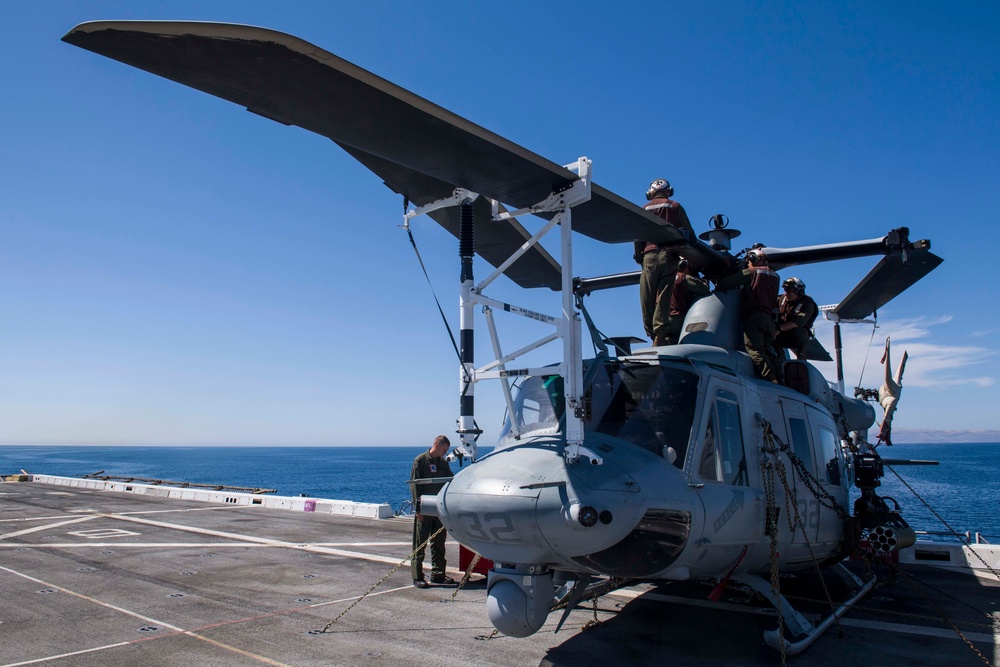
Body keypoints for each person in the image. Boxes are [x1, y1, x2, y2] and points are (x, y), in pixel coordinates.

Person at [634, 179, 695, 346]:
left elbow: (638, 236)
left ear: (651, 192)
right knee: (663, 296)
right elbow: (690, 234)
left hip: (649, 256)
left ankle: (651, 333)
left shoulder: (645, 209)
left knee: (647, 296)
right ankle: (660, 334)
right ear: (669, 191)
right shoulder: (675, 207)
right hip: (669, 256)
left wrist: (638, 255)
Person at [715, 248, 783, 383]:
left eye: (748, 261)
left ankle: (770, 378)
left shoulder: (751, 272)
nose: (747, 264)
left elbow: (724, 283)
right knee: (768, 350)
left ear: (752, 260)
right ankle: (780, 377)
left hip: (754, 316)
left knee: (754, 349)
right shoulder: (775, 276)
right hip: (769, 319)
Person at [409, 435, 455, 588]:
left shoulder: (442, 463)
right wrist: (418, 509)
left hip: (438, 509)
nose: (444, 453)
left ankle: (438, 574)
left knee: (439, 544)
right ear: (436, 444)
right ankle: (417, 576)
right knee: (420, 544)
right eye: (443, 449)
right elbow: (415, 486)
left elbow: (450, 480)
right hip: (424, 509)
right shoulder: (420, 461)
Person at [663, 258, 710, 345]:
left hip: (661, 320)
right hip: (676, 318)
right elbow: (703, 289)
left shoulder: (664, 278)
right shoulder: (683, 278)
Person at [774, 277, 818, 359]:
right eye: (785, 291)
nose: (786, 294)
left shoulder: (807, 304)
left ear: (798, 292)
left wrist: (778, 329)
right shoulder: (781, 299)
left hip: (794, 335)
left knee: (800, 333)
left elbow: (796, 323)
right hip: (780, 332)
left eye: (789, 292)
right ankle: (779, 358)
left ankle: (801, 359)